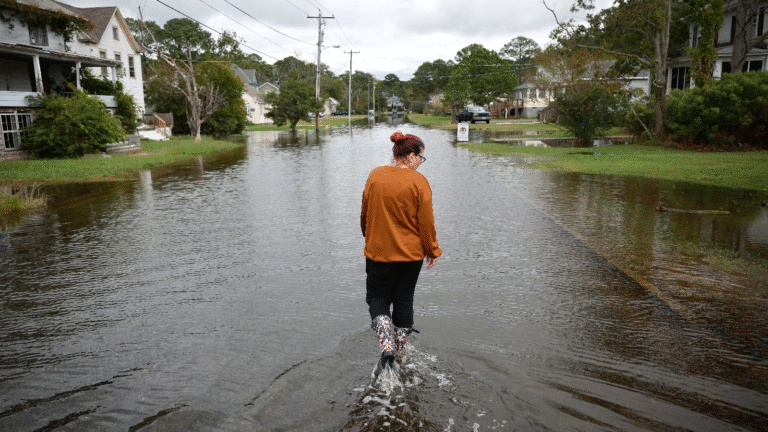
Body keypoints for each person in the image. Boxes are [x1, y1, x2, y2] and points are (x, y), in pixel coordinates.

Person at [360, 131, 442, 371]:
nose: (420, 163)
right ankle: (402, 351)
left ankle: (386, 344)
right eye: (421, 158)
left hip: (378, 254)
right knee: (404, 299)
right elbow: (426, 223)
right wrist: (432, 250)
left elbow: (365, 213)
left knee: (377, 298)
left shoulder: (375, 175)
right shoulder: (419, 182)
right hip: (411, 255)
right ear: (411, 156)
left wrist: (370, 236)